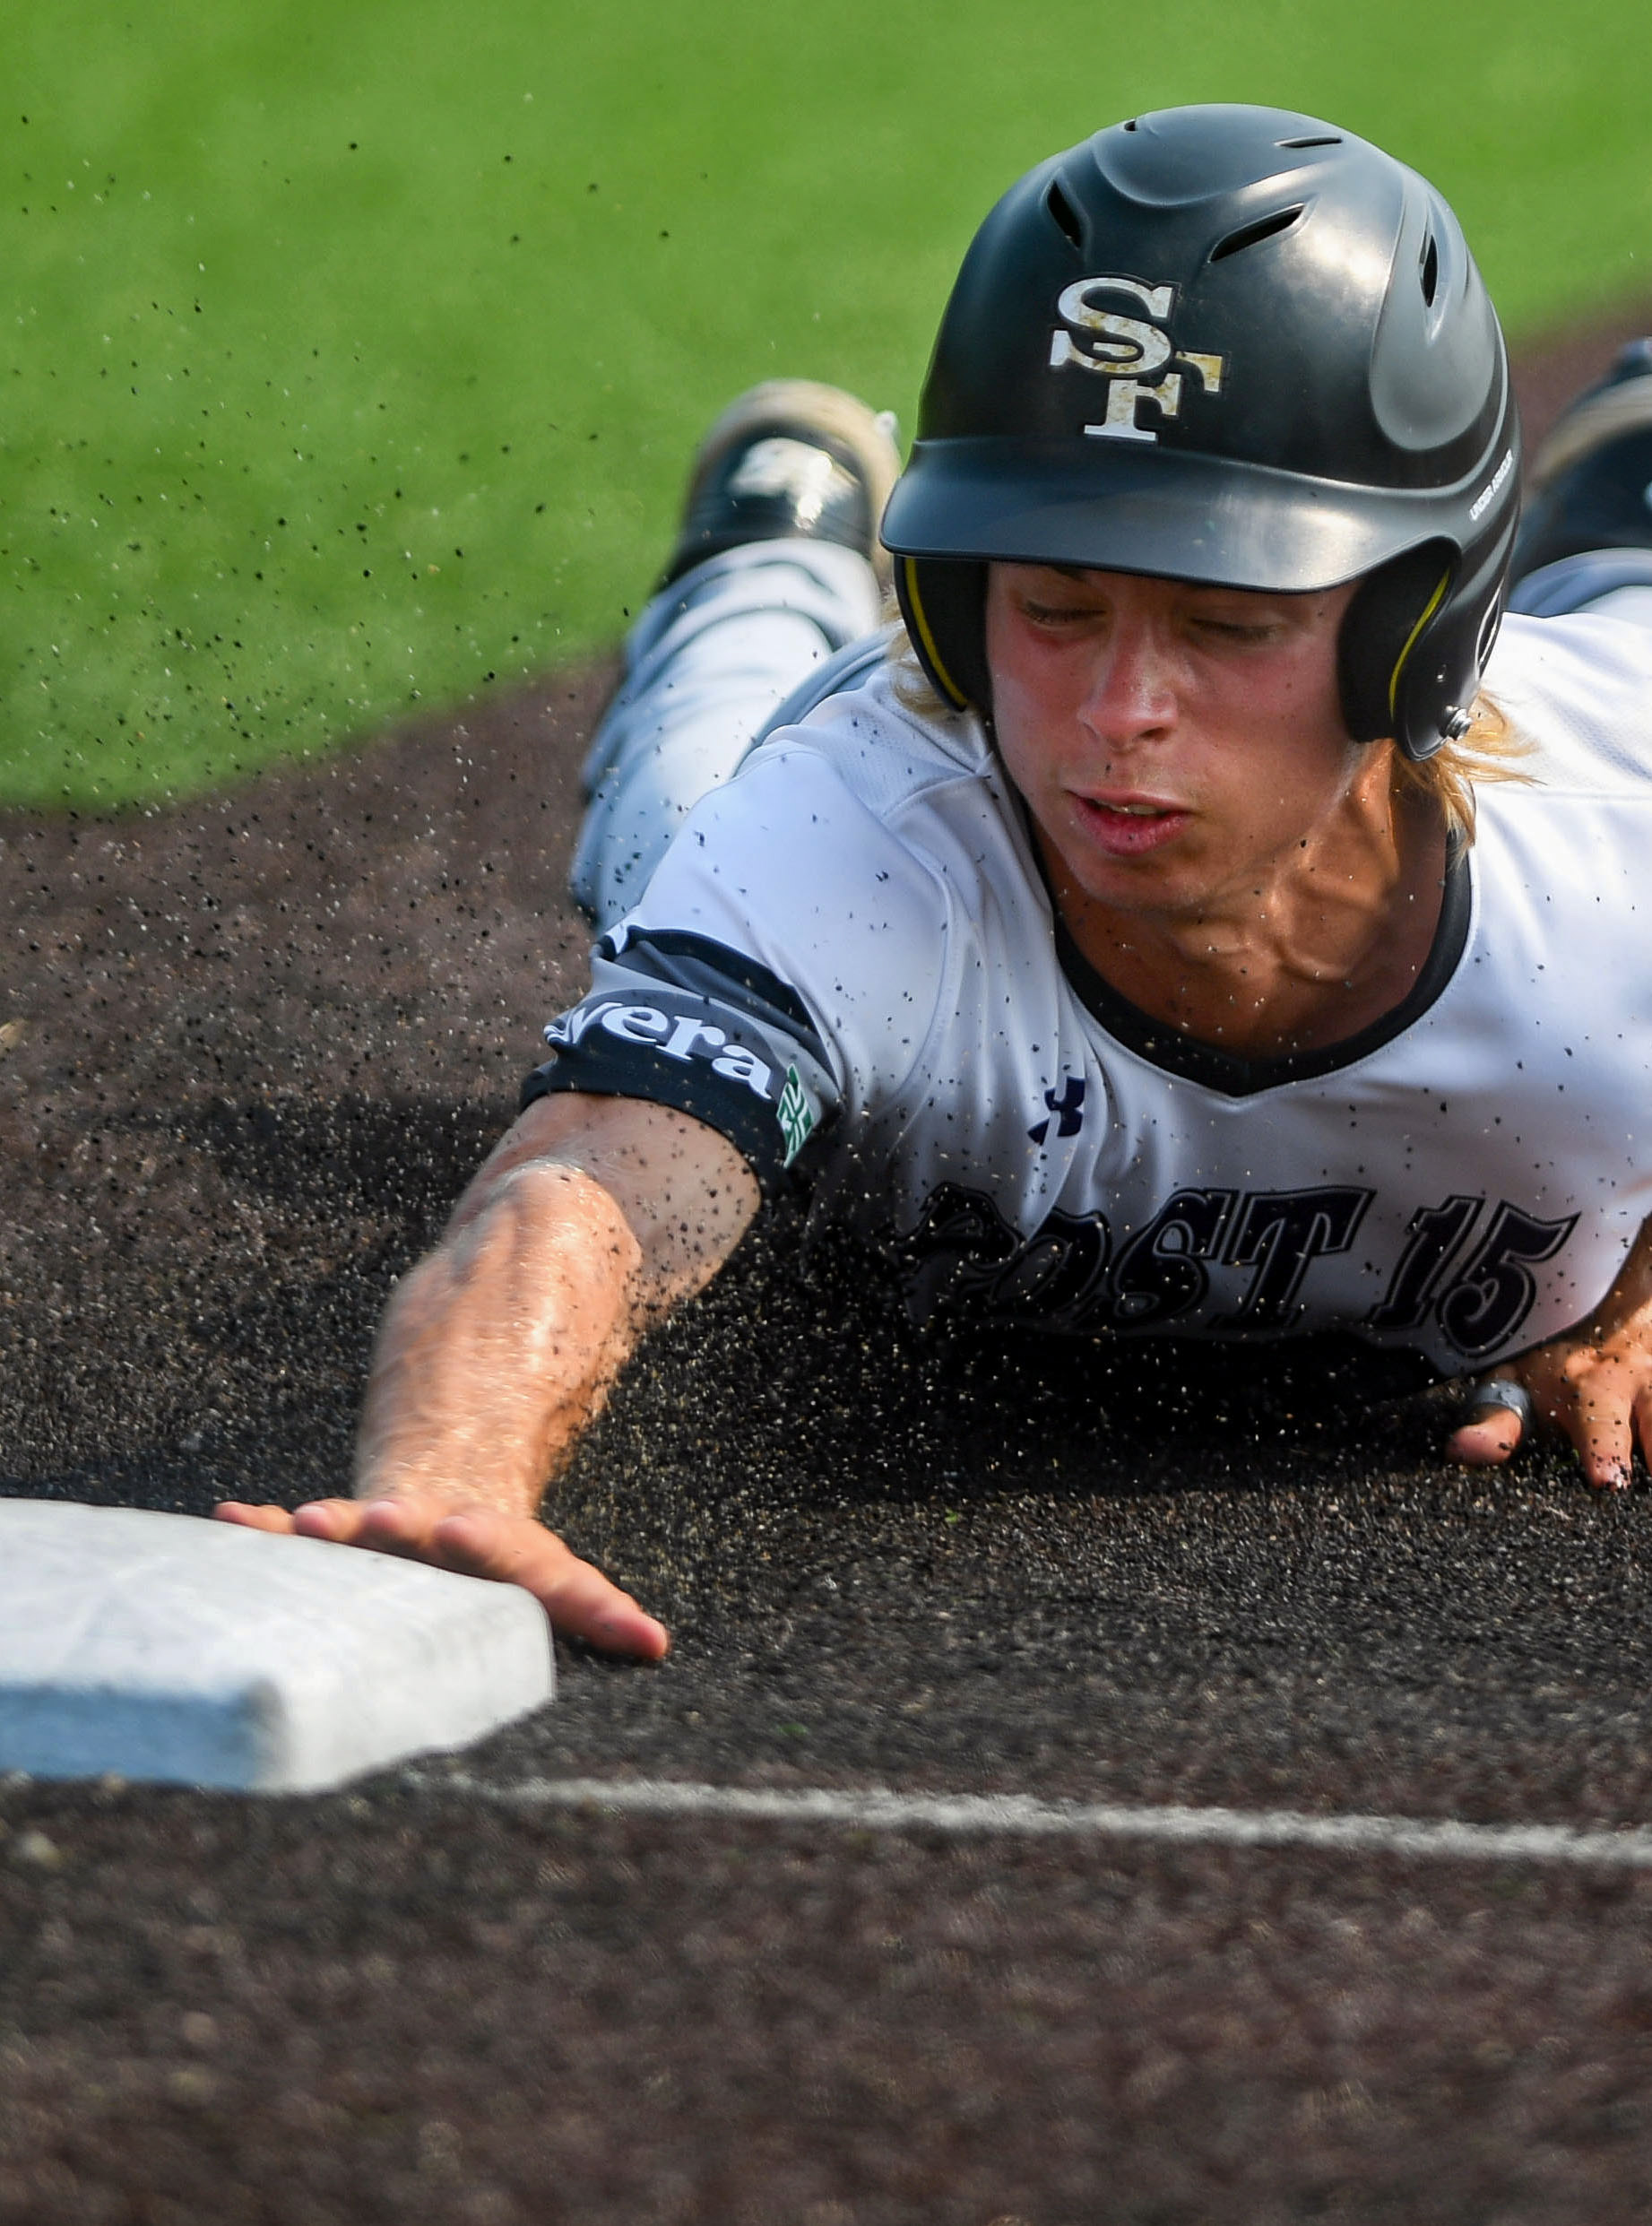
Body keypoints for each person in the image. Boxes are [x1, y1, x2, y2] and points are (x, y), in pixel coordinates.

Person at [218, 105, 1652, 1659]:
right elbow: (589, 1188)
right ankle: (771, 542)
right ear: (956, 610)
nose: (1116, 716)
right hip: (797, 787)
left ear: (1413, 634)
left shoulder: (1610, 856)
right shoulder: (852, 833)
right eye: (1050, 606)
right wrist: (455, 1475)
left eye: (1229, 625)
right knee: (679, 826)